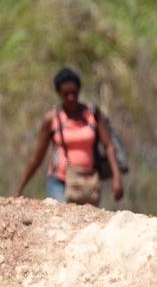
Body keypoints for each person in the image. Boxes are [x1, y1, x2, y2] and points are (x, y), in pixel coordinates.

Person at [16, 67, 124, 204]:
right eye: (66, 94)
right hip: (59, 181)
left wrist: (117, 177)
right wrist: (20, 188)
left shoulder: (93, 115)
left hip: (88, 182)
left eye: (74, 92)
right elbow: (38, 157)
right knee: (60, 214)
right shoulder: (52, 118)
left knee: (86, 216)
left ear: (79, 90)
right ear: (59, 93)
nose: (71, 97)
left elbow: (109, 147)